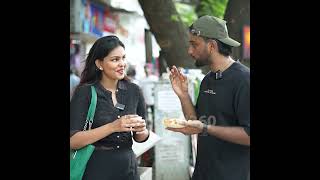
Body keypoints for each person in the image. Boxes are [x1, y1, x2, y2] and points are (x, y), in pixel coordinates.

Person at [167, 15, 250, 180]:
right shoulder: (208, 79)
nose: (190, 51)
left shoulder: (244, 80)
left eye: (194, 44)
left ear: (212, 45)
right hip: (203, 172)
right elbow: (196, 121)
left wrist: (206, 128)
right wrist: (183, 95)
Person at [70, 35, 149, 180]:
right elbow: (73, 141)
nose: (122, 64)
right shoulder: (85, 92)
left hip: (128, 168)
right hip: (96, 166)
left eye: (123, 58)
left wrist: (142, 130)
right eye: (115, 60)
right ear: (99, 64)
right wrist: (113, 127)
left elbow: (141, 137)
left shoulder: (134, 90)